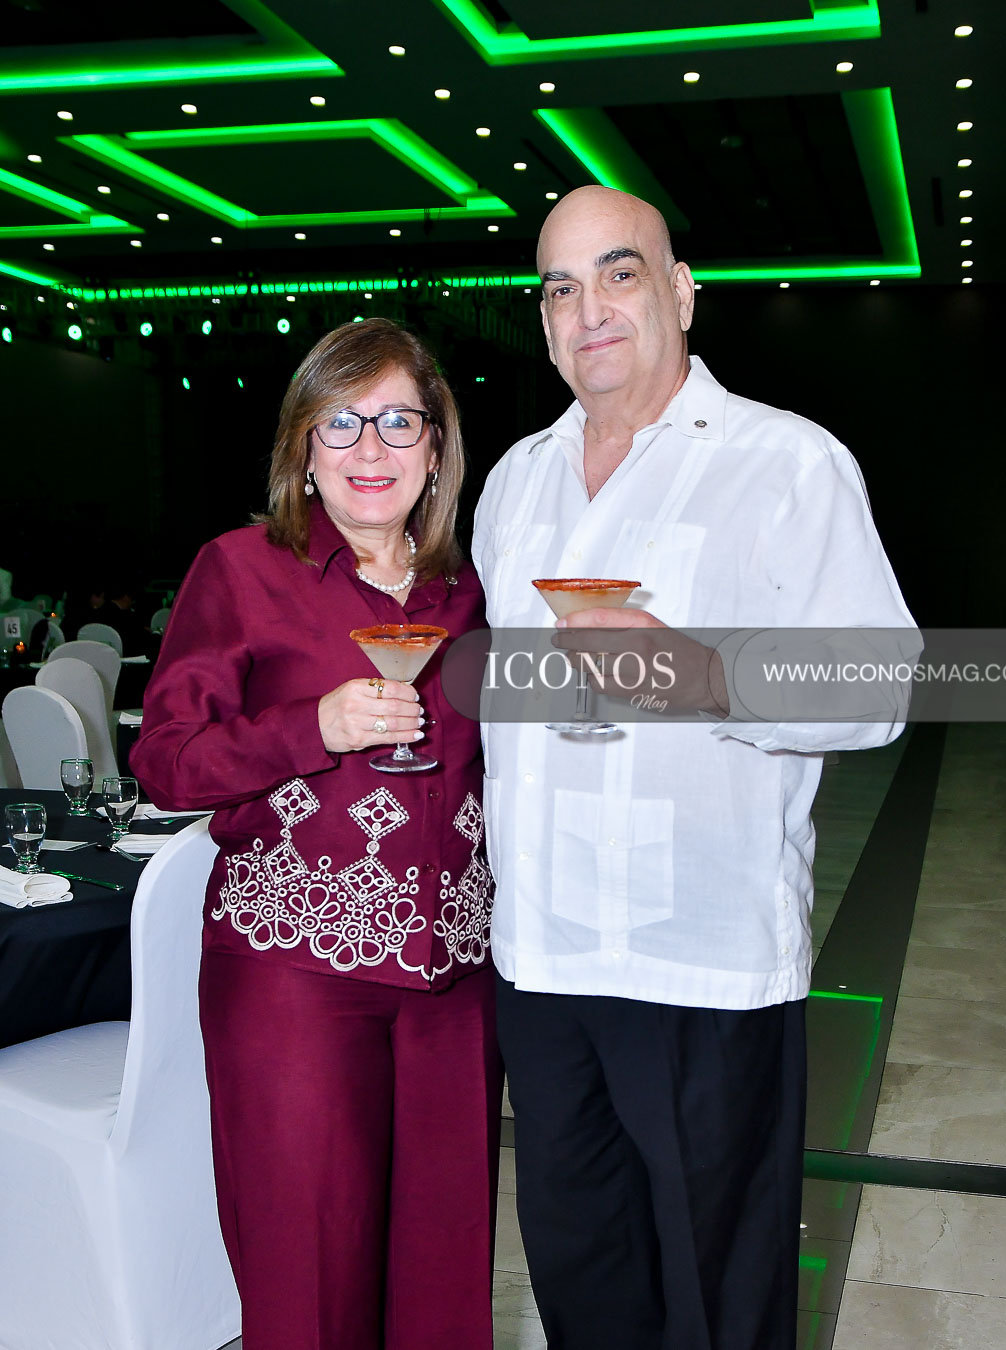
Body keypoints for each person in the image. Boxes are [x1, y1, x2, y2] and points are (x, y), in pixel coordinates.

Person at [472, 186, 917, 1350]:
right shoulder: (516, 478)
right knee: (582, 1279)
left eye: (618, 274)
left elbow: (881, 684)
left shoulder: (787, 463)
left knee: (720, 1300)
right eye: (559, 288)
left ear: (680, 292)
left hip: (701, 966)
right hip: (541, 958)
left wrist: (706, 673)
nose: (589, 310)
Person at [131, 318, 500, 1350]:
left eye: (398, 421)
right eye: (341, 422)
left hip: (456, 987)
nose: (370, 448)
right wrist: (312, 729)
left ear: (436, 447)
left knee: (443, 1287)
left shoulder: (475, 588)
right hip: (295, 979)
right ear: (303, 446)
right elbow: (164, 761)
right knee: (309, 1282)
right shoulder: (242, 569)